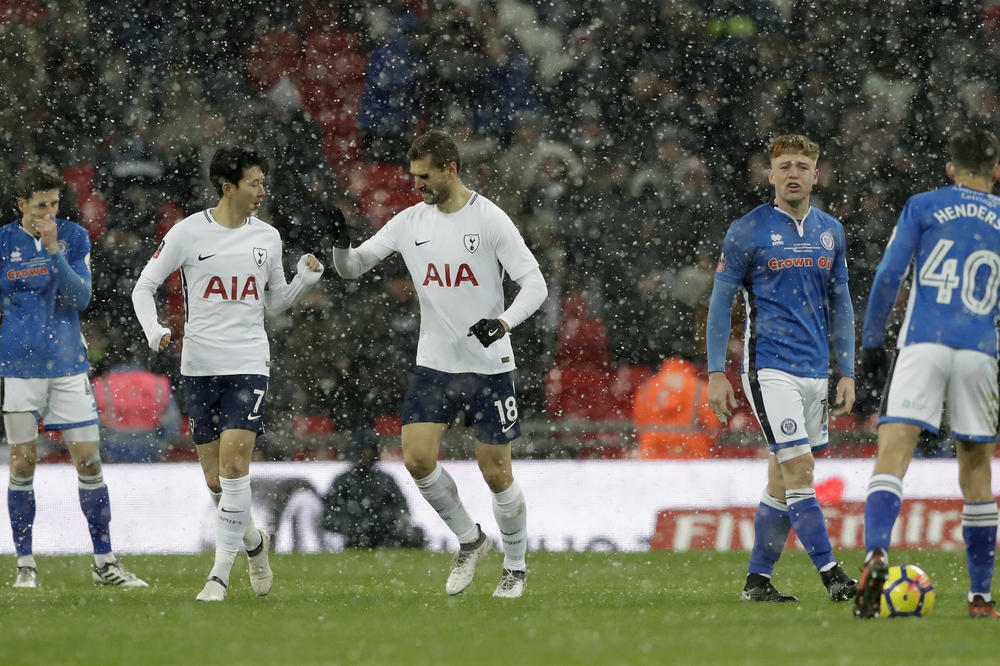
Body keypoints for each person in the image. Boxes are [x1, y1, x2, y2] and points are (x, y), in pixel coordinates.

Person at [330, 129, 548, 598]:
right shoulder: (409, 222)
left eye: (425, 176)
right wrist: (339, 243)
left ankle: (515, 567)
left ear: (451, 169)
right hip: (436, 363)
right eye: (413, 176)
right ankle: (470, 539)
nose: (417, 185)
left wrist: (504, 322)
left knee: (495, 472)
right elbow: (354, 267)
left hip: (489, 364)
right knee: (416, 457)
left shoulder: (489, 219)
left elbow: (535, 284)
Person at [131, 147, 324, 601]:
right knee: (217, 481)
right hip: (199, 367)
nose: (262, 190)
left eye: (263, 182)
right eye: (255, 182)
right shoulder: (188, 233)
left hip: (248, 364)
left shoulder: (269, 238)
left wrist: (302, 283)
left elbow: (273, 302)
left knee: (236, 467)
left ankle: (218, 576)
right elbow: (144, 286)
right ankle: (255, 544)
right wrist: (154, 328)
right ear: (227, 188)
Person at [853, 128, 1000, 619]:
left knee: (894, 450)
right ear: (997, 171)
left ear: (951, 169)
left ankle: (876, 552)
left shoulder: (925, 205)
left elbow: (889, 275)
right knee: (976, 469)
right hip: (981, 349)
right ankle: (980, 597)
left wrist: (872, 343)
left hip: (923, 341)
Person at [706, 134, 858, 603]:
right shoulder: (747, 230)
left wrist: (847, 371)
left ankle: (757, 582)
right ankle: (832, 575)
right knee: (800, 467)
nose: (793, 173)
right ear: (770, 175)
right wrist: (715, 372)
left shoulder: (831, 230)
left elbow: (842, 304)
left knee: (780, 478)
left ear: (816, 174)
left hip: (815, 371)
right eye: (784, 166)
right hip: (769, 366)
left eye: (802, 165)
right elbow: (719, 304)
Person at [1, 163, 146, 588]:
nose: (49, 213)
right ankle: (25, 564)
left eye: (55, 204)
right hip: (20, 368)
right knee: (23, 464)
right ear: (22, 205)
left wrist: (53, 253)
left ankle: (105, 562)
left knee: (89, 461)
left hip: (67, 365)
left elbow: (80, 297)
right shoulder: (3, 243)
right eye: (40, 205)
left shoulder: (74, 238)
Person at [321, 429, 426, 549]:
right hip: (353, 537)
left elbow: (401, 508)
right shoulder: (343, 481)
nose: (368, 454)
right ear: (356, 450)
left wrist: (390, 522)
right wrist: (351, 525)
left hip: (385, 534)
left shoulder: (385, 480)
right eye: (365, 450)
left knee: (415, 535)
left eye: (371, 450)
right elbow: (328, 515)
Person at [92, 362, 181, 463]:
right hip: (151, 446)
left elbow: (90, 421)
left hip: (112, 446)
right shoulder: (158, 383)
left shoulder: (103, 384)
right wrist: (163, 444)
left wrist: (100, 446)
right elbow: (172, 421)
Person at [633, 356, 720, 459]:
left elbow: (640, 421)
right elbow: (712, 424)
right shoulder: (700, 388)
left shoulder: (647, 387)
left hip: (653, 451)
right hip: (692, 452)